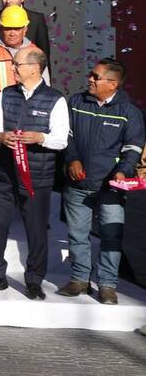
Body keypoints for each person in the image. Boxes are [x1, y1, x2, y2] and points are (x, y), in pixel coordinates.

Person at [0, 47, 69, 300]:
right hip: (4, 171)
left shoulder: (55, 99)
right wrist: (0, 135)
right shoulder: (7, 94)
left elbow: (61, 140)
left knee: (36, 228)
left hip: (37, 174)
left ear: (34, 68)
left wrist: (40, 137)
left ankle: (34, 280)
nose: (12, 69)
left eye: (16, 65)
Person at [58, 58, 144, 305]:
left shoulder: (129, 113)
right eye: (91, 75)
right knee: (77, 234)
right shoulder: (76, 102)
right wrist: (72, 159)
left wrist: (122, 171)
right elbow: (67, 135)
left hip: (109, 188)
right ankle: (79, 280)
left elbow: (133, 148)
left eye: (96, 77)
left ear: (113, 84)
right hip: (77, 184)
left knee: (111, 236)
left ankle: (107, 285)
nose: (90, 79)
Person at [0, 5, 49, 118]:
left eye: (17, 28)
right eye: (8, 28)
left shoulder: (35, 53)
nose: (12, 33)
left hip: (29, 117)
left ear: (25, 30)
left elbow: (45, 86)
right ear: (0, 28)